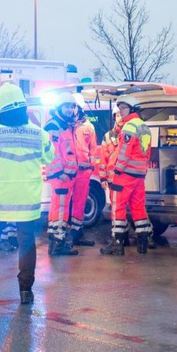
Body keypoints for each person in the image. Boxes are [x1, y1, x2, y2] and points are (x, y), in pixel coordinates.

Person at [0, 82, 53, 306]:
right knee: (26, 244)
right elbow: (49, 158)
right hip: (27, 202)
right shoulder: (38, 134)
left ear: (0, 107)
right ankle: (26, 291)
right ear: (23, 106)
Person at [101, 95, 153, 255]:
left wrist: (117, 169)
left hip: (124, 175)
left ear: (132, 109)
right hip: (139, 175)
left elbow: (124, 152)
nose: (120, 111)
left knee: (118, 207)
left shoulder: (129, 127)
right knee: (138, 207)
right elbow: (147, 152)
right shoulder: (144, 126)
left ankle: (117, 244)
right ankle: (143, 243)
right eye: (119, 108)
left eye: (124, 108)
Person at [45, 96, 84, 256]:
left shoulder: (66, 125)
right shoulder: (54, 126)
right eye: (67, 106)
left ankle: (56, 242)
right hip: (61, 177)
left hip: (66, 177)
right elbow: (51, 153)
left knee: (59, 210)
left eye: (72, 107)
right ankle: (58, 245)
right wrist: (60, 173)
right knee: (60, 211)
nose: (70, 110)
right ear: (59, 107)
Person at [67, 95, 98, 248]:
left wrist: (91, 166)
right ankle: (63, 236)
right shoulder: (66, 125)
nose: (73, 110)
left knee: (80, 203)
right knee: (64, 204)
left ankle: (77, 234)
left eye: (75, 107)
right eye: (71, 107)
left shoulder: (88, 127)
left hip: (84, 172)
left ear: (79, 108)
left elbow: (93, 149)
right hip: (68, 171)